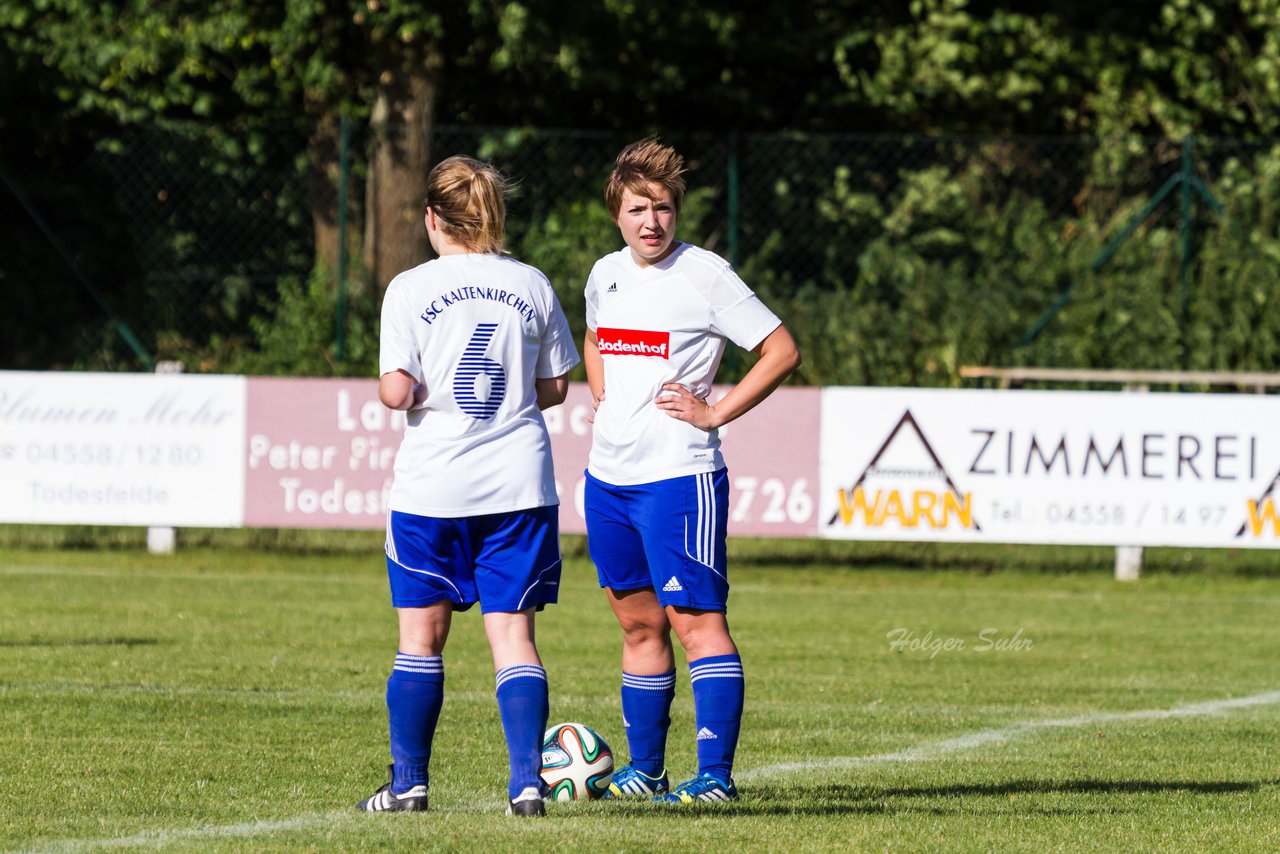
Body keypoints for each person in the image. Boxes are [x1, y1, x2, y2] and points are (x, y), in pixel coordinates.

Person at [357, 155, 580, 817]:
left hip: (434, 490)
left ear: (433, 218)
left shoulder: (410, 289)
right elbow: (557, 387)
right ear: (492, 217)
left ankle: (409, 785)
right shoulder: (532, 283)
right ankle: (528, 785)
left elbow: (398, 391)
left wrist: (403, 388)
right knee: (514, 638)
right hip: (517, 486)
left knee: (420, 639)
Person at [582, 138, 801, 805]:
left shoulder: (705, 274)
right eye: (638, 208)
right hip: (607, 479)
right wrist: (604, 398)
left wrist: (715, 412)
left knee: (694, 619)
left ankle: (715, 777)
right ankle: (647, 770)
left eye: (664, 208)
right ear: (616, 213)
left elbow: (780, 349)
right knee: (637, 624)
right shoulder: (604, 275)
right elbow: (595, 339)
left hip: (681, 478)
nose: (652, 221)